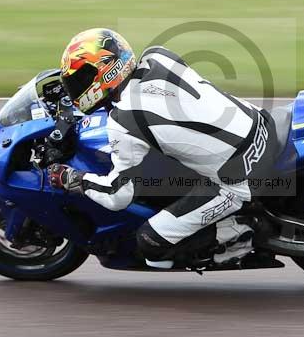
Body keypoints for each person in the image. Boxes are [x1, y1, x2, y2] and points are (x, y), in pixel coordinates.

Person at [48, 28, 277, 268]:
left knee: (150, 242)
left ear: (106, 71)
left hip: (242, 178)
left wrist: (72, 178)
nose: (77, 87)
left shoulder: (124, 120)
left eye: (80, 80)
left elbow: (118, 196)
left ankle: (248, 231)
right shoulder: (158, 55)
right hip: (260, 126)